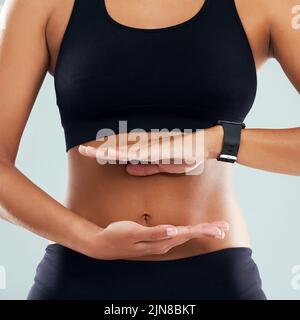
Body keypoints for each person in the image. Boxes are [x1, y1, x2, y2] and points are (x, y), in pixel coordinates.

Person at [0, 0, 299, 300]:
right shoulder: (39, 5)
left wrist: (215, 142)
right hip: (79, 274)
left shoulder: (269, 4)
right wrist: (91, 241)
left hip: (218, 277)